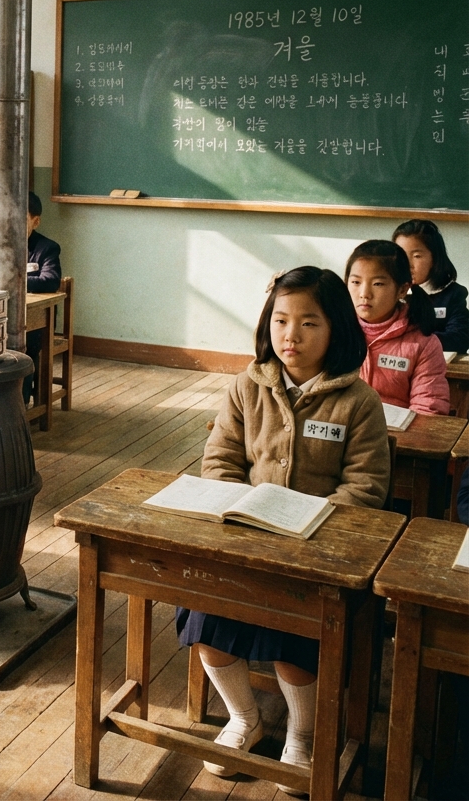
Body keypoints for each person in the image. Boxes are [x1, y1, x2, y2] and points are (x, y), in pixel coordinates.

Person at [177, 266, 390, 793]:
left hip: (317, 550)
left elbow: (365, 486)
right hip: (246, 537)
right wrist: (240, 506)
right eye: (280, 320)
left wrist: (312, 523)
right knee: (205, 620)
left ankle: (300, 734)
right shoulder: (248, 385)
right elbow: (220, 459)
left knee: (292, 643)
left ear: (337, 329)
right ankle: (243, 719)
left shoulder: (357, 401)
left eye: (309, 323)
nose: (290, 335)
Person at [0, 191, 62, 403]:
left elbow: (51, 281)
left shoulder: (46, 248)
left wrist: (8, 283)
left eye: (21, 220)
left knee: (20, 351)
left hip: (33, 323)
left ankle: (18, 404)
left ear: (35, 222)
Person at [345, 240, 450, 415]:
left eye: (378, 284)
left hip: (395, 437)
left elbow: (428, 409)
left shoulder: (424, 344)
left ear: (402, 290)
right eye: (356, 282)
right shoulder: (335, 331)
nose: (364, 293)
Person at [392, 219, 468, 353]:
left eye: (416, 256)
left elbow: (459, 338)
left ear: (434, 258)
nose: (408, 264)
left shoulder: (452, 294)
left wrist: (413, 340)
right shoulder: (389, 291)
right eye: (402, 255)